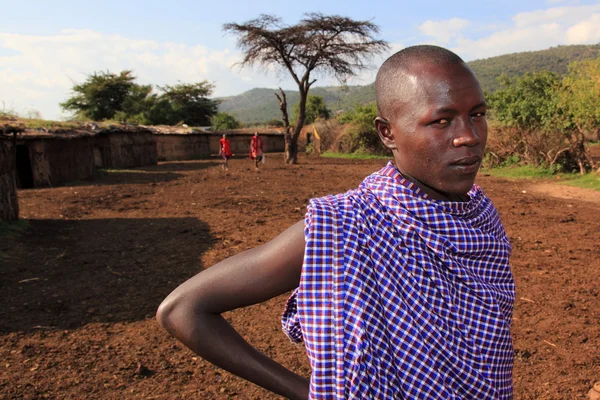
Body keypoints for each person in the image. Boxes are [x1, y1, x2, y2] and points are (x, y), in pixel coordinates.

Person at [157, 45, 515, 399]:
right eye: (441, 120)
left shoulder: (480, 216)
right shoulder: (348, 226)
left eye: (478, 115)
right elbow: (182, 309)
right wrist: (306, 392)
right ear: (387, 133)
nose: (469, 136)